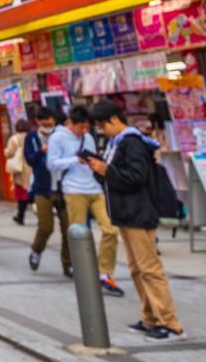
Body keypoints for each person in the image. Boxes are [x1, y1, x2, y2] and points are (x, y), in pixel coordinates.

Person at [85, 102, 182, 341]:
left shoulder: (132, 142)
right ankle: (150, 316)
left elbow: (136, 177)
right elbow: (115, 180)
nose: (102, 131)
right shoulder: (118, 144)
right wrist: (99, 170)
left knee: (150, 269)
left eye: (103, 125)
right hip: (126, 214)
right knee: (137, 269)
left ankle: (170, 324)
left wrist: (106, 170)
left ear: (115, 120)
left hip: (139, 212)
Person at [44, 106, 124, 292]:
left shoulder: (88, 137)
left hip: (95, 188)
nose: (84, 131)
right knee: (80, 234)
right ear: (70, 123)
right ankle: (84, 272)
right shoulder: (57, 137)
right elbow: (52, 164)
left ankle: (105, 273)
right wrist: (75, 160)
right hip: (73, 190)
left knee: (110, 229)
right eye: (81, 127)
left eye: (87, 127)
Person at [26, 108, 66, 273]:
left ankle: (68, 264)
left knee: (69, 228)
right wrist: (40, 152)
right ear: (38, 122)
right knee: (46, 226)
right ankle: (36, 250)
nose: (48, 124)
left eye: (50, 120)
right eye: (44, 121)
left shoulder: (62, 135)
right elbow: (30, 160)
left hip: (62, 187)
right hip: (42, 188)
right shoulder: (32, 137)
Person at [5, 118, 32, 225]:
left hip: (20, 169)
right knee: (33, 191)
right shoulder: (32, 137)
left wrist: (5, 151)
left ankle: (21, 216)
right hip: (32, 167)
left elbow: (9, 153)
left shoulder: (14, 139)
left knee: (21, 194)